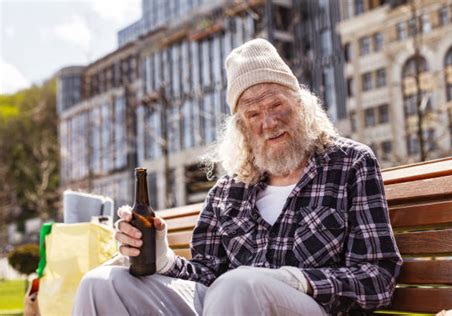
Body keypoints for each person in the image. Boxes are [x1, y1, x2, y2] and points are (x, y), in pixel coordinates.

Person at [73, 38, 403, 315]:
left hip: (312, 306)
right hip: (226, 304)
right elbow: (205, 276)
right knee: (101, 284)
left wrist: (297, 280)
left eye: (277, 105)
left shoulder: (350, 163)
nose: (269, 122)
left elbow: (377, 277)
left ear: (301, 105)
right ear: (242, 128)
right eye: (254, 113)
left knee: (238, 283)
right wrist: (164, 259)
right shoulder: (226, 192)